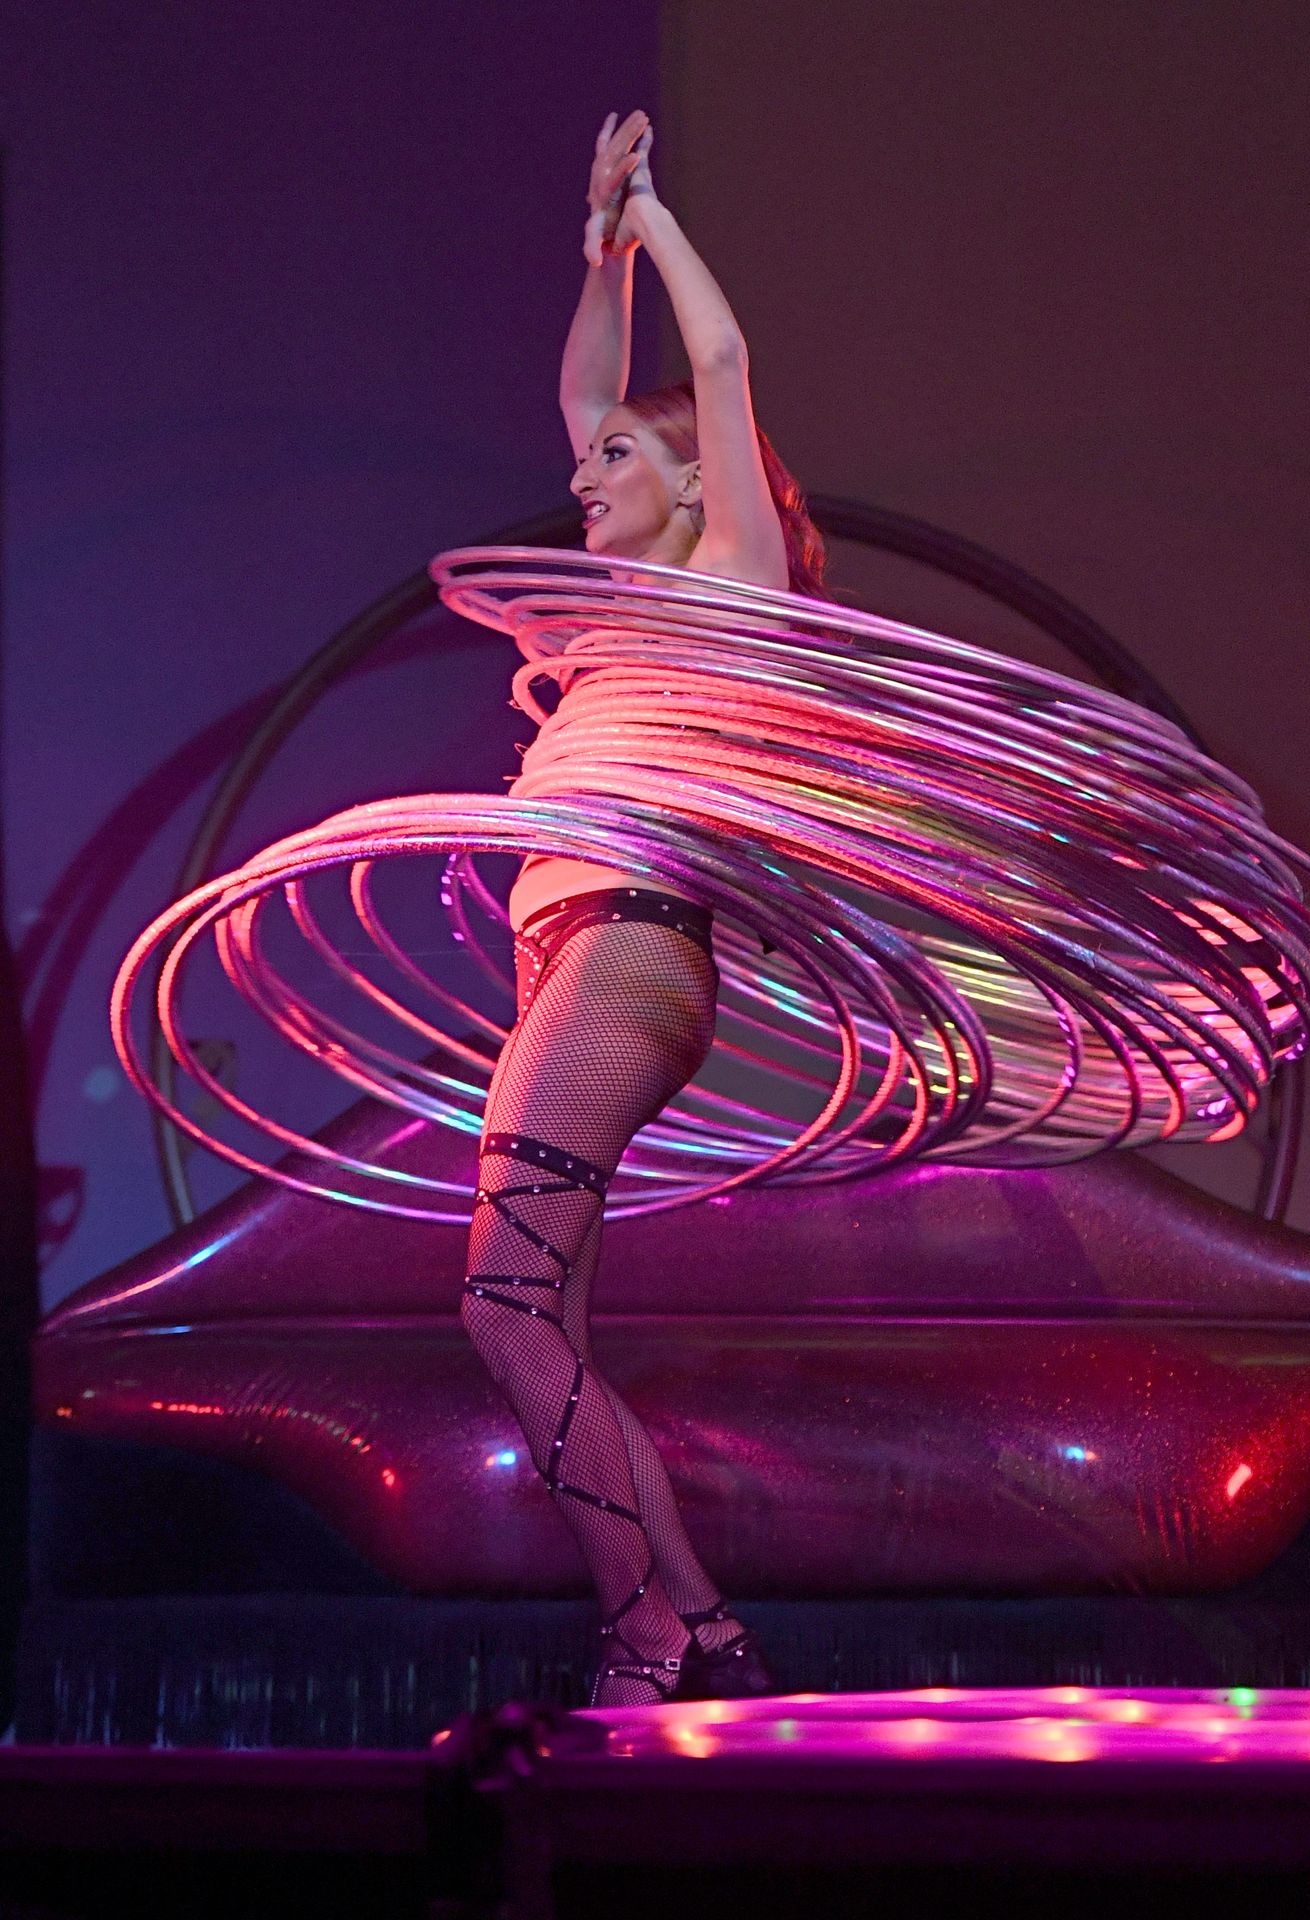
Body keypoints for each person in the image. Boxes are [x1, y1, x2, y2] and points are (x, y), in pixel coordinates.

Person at [460, 111, 823, 1707]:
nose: (581, 473)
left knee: (499, 1303)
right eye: (587, 460)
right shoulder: (620, 615)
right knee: (546, 1320)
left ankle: (643, 1636)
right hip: (574, 957)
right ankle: (708, 1632)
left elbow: (719, 362)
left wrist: (659, 217)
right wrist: (598, 244)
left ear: (694, 486)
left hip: (626, 948)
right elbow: (584, 391)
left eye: (619, 459)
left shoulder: (729, 585)